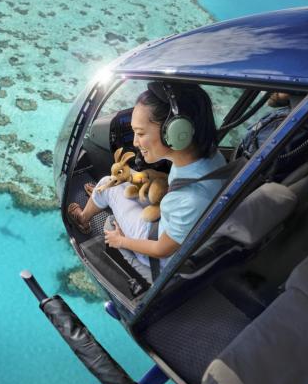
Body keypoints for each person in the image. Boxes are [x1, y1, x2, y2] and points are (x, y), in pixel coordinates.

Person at [67, 82, 226, 281]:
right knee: (126, 181)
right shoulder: (211, 157)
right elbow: (178, 186)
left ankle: (82, 219)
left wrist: (121, 241)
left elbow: (161, 249)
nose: (134, 142)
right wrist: (154, 176)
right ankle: (102, 197)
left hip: (158, 251)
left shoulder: (191, 198)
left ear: (175, 133)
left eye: (140, 133)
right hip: (171, 218)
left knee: (110, 184)